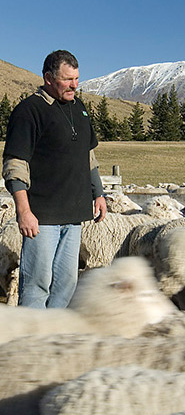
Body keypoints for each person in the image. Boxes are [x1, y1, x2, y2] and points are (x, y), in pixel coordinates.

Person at [2, 49, 107, 308]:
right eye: (67, 79)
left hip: (73, 216)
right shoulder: (29, 111)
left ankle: (54, 336)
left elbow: (88, 156)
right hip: (42, 217)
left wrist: (99, 192)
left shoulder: (79, 108)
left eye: (77, 78)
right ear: (48, 78)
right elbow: (15, 164)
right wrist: (23, 210)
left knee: (66, 283)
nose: (74, 85)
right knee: (37, 283)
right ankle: (29, 342)